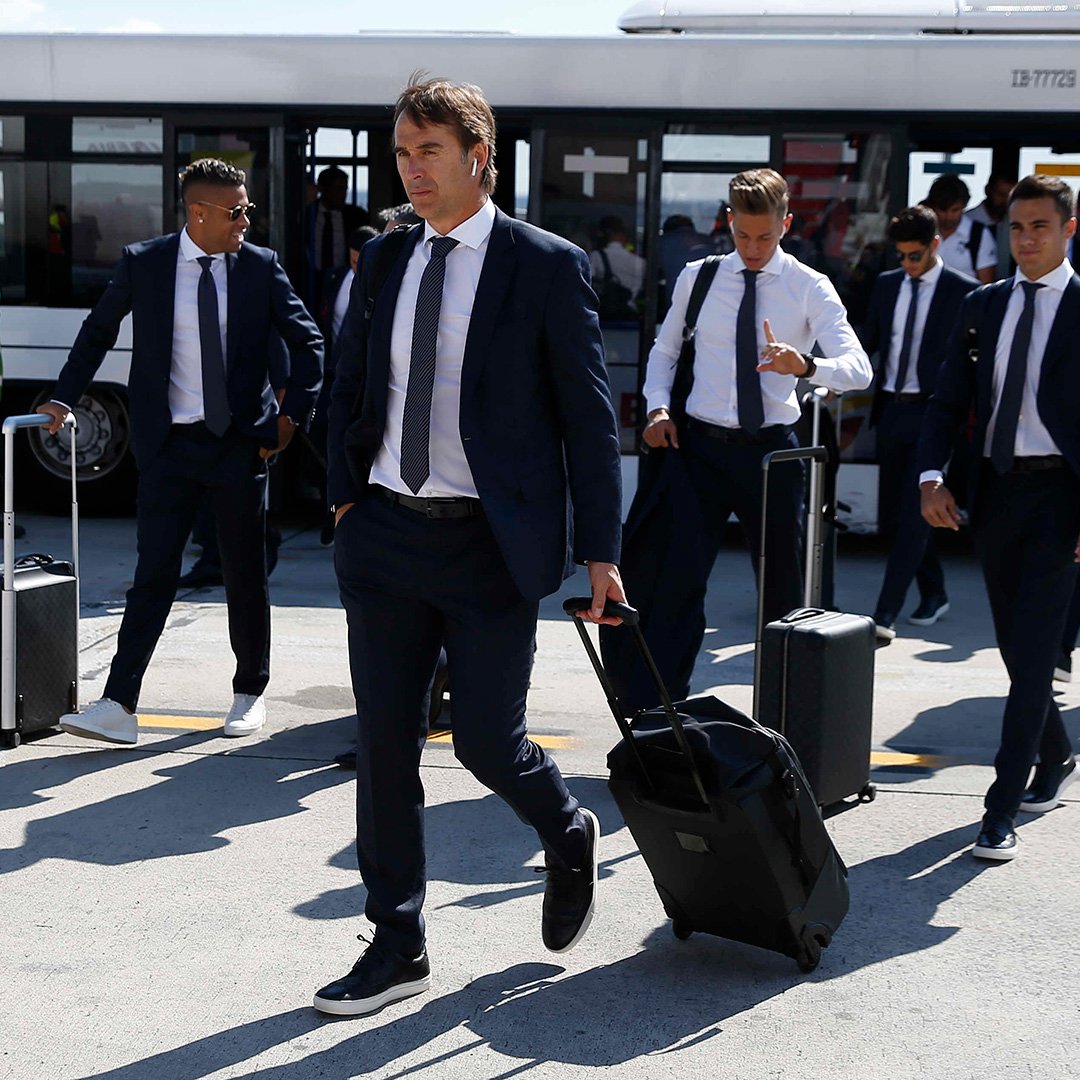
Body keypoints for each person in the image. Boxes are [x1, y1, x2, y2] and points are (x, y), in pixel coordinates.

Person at [317, 77, 624, 1018]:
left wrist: (601, 551)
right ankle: (397, 939)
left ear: (478, 157)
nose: (411, 170)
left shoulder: (545, 265)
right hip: (384, 534)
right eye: (401, 153)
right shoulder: (386, 255)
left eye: (429, 152)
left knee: (490, 741)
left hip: (490, 544)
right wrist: (343, 501)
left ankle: (565, 829)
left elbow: (588, 417)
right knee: (385, 745)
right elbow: (348, 382)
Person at [40, 158, 323, 745]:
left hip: (239, 446)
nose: (246, 220)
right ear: (199, 212)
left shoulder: (260, 267)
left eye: (247, 209)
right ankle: (118, 704)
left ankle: (249, 691)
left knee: (244, 574)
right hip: (169, 446)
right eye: (237, 211)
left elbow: (308, 343)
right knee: (153, 575)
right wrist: (63, 399)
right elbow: (98, 332)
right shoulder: (145, 263)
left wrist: (289, 420)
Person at [635, 168, 871, 701]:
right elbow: (665, 351)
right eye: (743, 235)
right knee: (677, 583)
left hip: (771, 456)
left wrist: (804, 365)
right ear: (728, 222)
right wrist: (657, 409)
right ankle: (661, 711)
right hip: (697, 448)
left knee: (784, 594)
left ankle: (787, 709)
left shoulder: (809, 286)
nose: (753, 248)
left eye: (765, 236)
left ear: (786, 224)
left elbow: (859, 370)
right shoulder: (699, 277)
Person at [919, 174, 1080, 861]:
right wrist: (931, 477)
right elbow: (947, 400)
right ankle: (1059, 753)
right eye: (1017, 227)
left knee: (1036, 652)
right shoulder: (983, 306)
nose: (1027, 239)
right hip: (996, 496)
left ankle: (1000, 808)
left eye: (1040, 226)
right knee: (1019, 650)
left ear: (1069, 228)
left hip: (1063, 499)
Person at [860, 206, 978, 641]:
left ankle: (884, 615)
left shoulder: (965, 293)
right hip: (891, 410)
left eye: (915, 255)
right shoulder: (887, 285)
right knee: (895, 518)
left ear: (935, 245)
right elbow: (868, 341)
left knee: (914, 516)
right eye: (901, 255)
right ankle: (935, 590)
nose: (907, 264)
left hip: (935, 416)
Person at [306, 165, 367, 307]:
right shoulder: (307, 215)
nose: (343, 194)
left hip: (345, 280)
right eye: (338, 188)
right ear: (322, 189)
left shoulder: (357, 216)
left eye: (345, 189)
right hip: (310, 281)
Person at [923, 173, 997, 284]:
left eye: (955, 210)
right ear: (933, 207)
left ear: (964, 206)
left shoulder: (979, 235)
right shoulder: (923, 233)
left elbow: (986, 284)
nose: (948, 216)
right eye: (943, 210)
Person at [589, 215, 645, 318]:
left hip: (604, 313)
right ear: (623, 235)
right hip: (631, 314)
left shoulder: (596, 256)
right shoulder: (640, 262)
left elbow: (589, 282)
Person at [967, 171, 1018, 279]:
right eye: (1001, 195)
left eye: (1010, 197)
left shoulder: (1017, 223)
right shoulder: (967, 223)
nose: (1005, 201)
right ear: (987, 190)